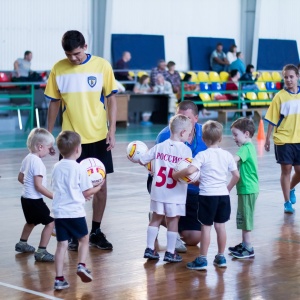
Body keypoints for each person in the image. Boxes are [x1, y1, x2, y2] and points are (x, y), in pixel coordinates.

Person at [45, 30, 118, 251]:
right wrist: (49, 135)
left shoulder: (102, 65)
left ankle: (95, 230)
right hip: (70, 139)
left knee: (100, 187)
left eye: (76, 53)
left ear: (85, 46)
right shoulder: (58, 68)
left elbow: (112, 98)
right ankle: (75, 233)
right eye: (69, 54)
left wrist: (111, 129)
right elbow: (54, 103)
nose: (73, 58)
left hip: (97, 136)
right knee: (70, 188)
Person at [173, 120, 239, 270]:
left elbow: (190, 171)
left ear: (203, 139)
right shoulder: (227, 155)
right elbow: (236, 176)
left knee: (206, 228)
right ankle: (221, 257)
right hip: (223, 196)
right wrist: (227, 189)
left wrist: (177, 174)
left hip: (207, 197)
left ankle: (202, 259)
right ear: (221, 138)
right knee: (220, 227)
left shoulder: (202, 155)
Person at [150, 100, 207, 252]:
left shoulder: (205, 134)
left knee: (194, 239)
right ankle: (159, 217)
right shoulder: (164, 136)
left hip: (193, 191)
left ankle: (168, 223)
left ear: (196, 118)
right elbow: (153, 166)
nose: (181, 123)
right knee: (170, 208)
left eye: (187, 119)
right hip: (169, 185)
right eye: (178, 117)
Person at [52, 131, 104, 290]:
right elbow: (87, 192)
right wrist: (98, 187)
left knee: (61, 245)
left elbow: (59, 188)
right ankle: (81, 265)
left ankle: (59, 279)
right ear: (77, 149)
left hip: (60, 213)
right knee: (84, 240)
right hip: (75, 212)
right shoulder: (80, 168)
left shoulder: (56, 166)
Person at [138, 115, 193, 262]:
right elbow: (188, 172)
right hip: (175, 193)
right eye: (189, 132)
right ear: (182, 133)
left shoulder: (159, 146)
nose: (189, 135)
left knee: (155, 219)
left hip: (158, 190)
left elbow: (142, 160)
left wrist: (152, 169)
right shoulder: (185, 151)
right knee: (173, 221)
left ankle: (149, 248)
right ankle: (170, 252)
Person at [264, 64, 300, 214]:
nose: (289, 80)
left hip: (298, 138)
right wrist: (267, 139)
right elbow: (272, 120)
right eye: (286, 77)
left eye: (291, 77)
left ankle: (291, 188)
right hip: (283, 139)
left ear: (297, 77)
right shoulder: (279, 97)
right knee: (286, 170)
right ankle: (286, 202)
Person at [15, 128, 55, 262]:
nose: (50, 150)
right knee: (50, 223)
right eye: (49, 147)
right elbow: (38, 186)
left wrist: (29, 188)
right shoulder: (38, 163)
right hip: (34, 200)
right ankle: (42, 251)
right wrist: (54, 196)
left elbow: (20, 178)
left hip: (25, 198)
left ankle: (22, 243)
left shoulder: (27, 158)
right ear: (40, 147)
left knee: (31, 222)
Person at [229, 117, 259, 258]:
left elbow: (233, 160)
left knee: (246, 219)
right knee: (242, 217)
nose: (234, 138)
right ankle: (244, 244)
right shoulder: (247, 147)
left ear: (246, 134)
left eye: (236, 135)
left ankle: (248, 248)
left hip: (248, 189)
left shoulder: (246, 148)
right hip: (245, 188)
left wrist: (219, 158)